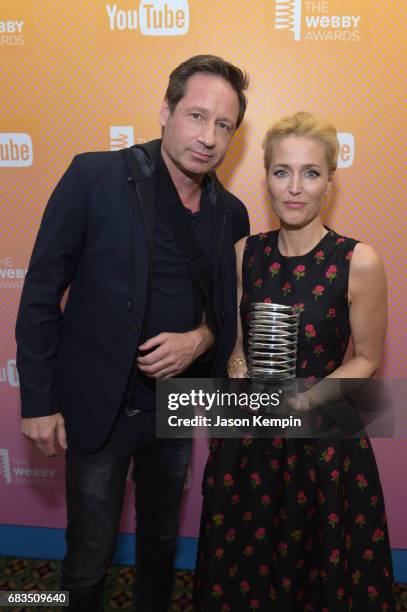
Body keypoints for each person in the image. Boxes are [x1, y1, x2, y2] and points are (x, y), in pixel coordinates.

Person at [15, 54, 250, 612]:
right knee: (89, 553)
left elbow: (227, 315)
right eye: (196, 116)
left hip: (174, 408)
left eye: (224, 126)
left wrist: (199, 339)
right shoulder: (95, 176)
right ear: (166, 110)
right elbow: (42, 293)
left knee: (162, 541)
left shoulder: (231, 214)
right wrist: (38, 402)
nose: (208, 137)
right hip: (99, 404)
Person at [194, 111, 395, 610]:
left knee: (316, 566)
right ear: (266, 176)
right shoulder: (245, 252)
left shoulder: (359, 260)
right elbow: (238, 347)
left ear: (330, 179)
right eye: (282, 172)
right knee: (245, 563)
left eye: (311, 172)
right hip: (251, 439)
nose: (295, 188)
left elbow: (367, 359)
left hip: (324, 441)